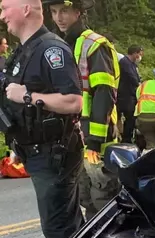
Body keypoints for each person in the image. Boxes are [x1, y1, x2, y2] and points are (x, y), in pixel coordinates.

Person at [0, 0, 84, 238]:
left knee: (59, 228)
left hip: (53, 153)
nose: (2, 15)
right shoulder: (24, 50)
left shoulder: (51, 49)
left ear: (26, 9)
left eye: (5, 8)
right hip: (35, 151)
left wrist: (27, 95)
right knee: (68, 225)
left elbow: (73, 101)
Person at [45, 0, 121, 217]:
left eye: (64, 11)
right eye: (54, 12)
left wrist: (95, 140)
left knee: (103, 199)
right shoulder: (58, 46)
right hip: (72, 136)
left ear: (78, 12)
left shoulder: (94, 44)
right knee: (85, 198)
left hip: (96, 135)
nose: (59, 17)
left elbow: (104, 93)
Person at [117, 44, 141, 143]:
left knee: (130, 119)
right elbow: (133, 78)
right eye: (139, 54)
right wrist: (140, 85)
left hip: (129, 95)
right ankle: (126, 139)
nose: (139, 57)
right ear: (135, 53)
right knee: (129, 118)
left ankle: (127, 137)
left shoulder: (132, 64)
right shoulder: (125, 62)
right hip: (124, 96)